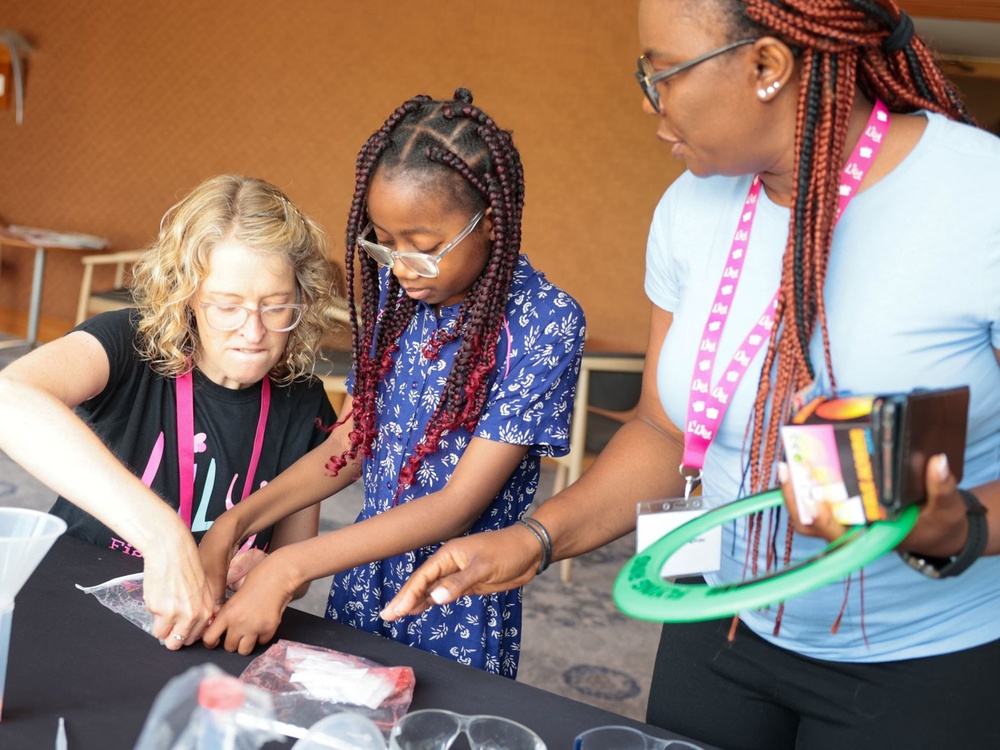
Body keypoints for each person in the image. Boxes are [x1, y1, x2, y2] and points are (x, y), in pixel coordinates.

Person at [382, 2, 1000, 748]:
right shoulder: (689, 207)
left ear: (766, 66)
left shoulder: (977, 200)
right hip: (717, 619)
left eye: (660, 72)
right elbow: (661, 430)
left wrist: (959, 525)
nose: (648, 98)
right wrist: (535, 538)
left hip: (921, 659)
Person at [199, 88, 586, 678]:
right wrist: (236, 522)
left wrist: (288, 566)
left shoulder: (543, 322)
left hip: (454, 599)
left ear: (491, 223)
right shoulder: (395, 296)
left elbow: (456, 506)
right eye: (385, 242)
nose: (401, 267)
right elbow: (351, 444)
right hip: (360, 569)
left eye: (425, 249)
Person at [0, 174, 338, 649]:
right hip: (76, 601)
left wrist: (269, 574)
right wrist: (165, 536)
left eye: (277, 307)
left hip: (205, 635)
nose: (254, 331)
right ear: (187, 297)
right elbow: (9, 398)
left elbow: (293, 561)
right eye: (227, 306)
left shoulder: (304, 401)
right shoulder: (127, 344)